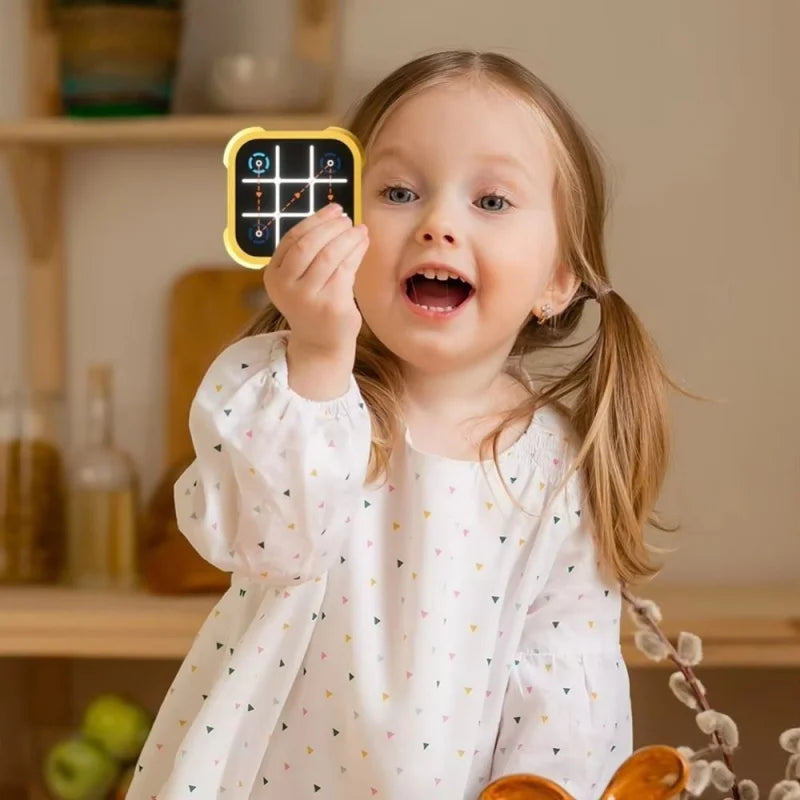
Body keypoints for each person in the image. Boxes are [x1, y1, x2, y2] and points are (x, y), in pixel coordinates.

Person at [127, 50, 672, 800]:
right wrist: (318, 355)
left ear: (555, 280)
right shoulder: (288, 396)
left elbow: (565, 681)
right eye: (398, 191)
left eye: (491, 201)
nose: (438, 223)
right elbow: (261, 540)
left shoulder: (558, 469)